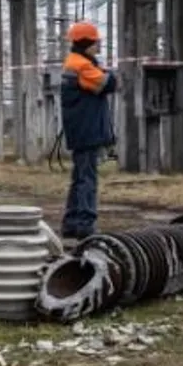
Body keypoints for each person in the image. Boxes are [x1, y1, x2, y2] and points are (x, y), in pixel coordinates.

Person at [60, 20, 117, 241]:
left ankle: (71, 223)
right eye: (96, 42)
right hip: (87, 130)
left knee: (79, 178)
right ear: (87, 44)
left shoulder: (76, 62)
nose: (99, 45)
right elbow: (108, 84)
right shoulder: (82, 65)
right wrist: (108, 73)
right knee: (87, 180)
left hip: (81, 129)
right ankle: (85, 224)